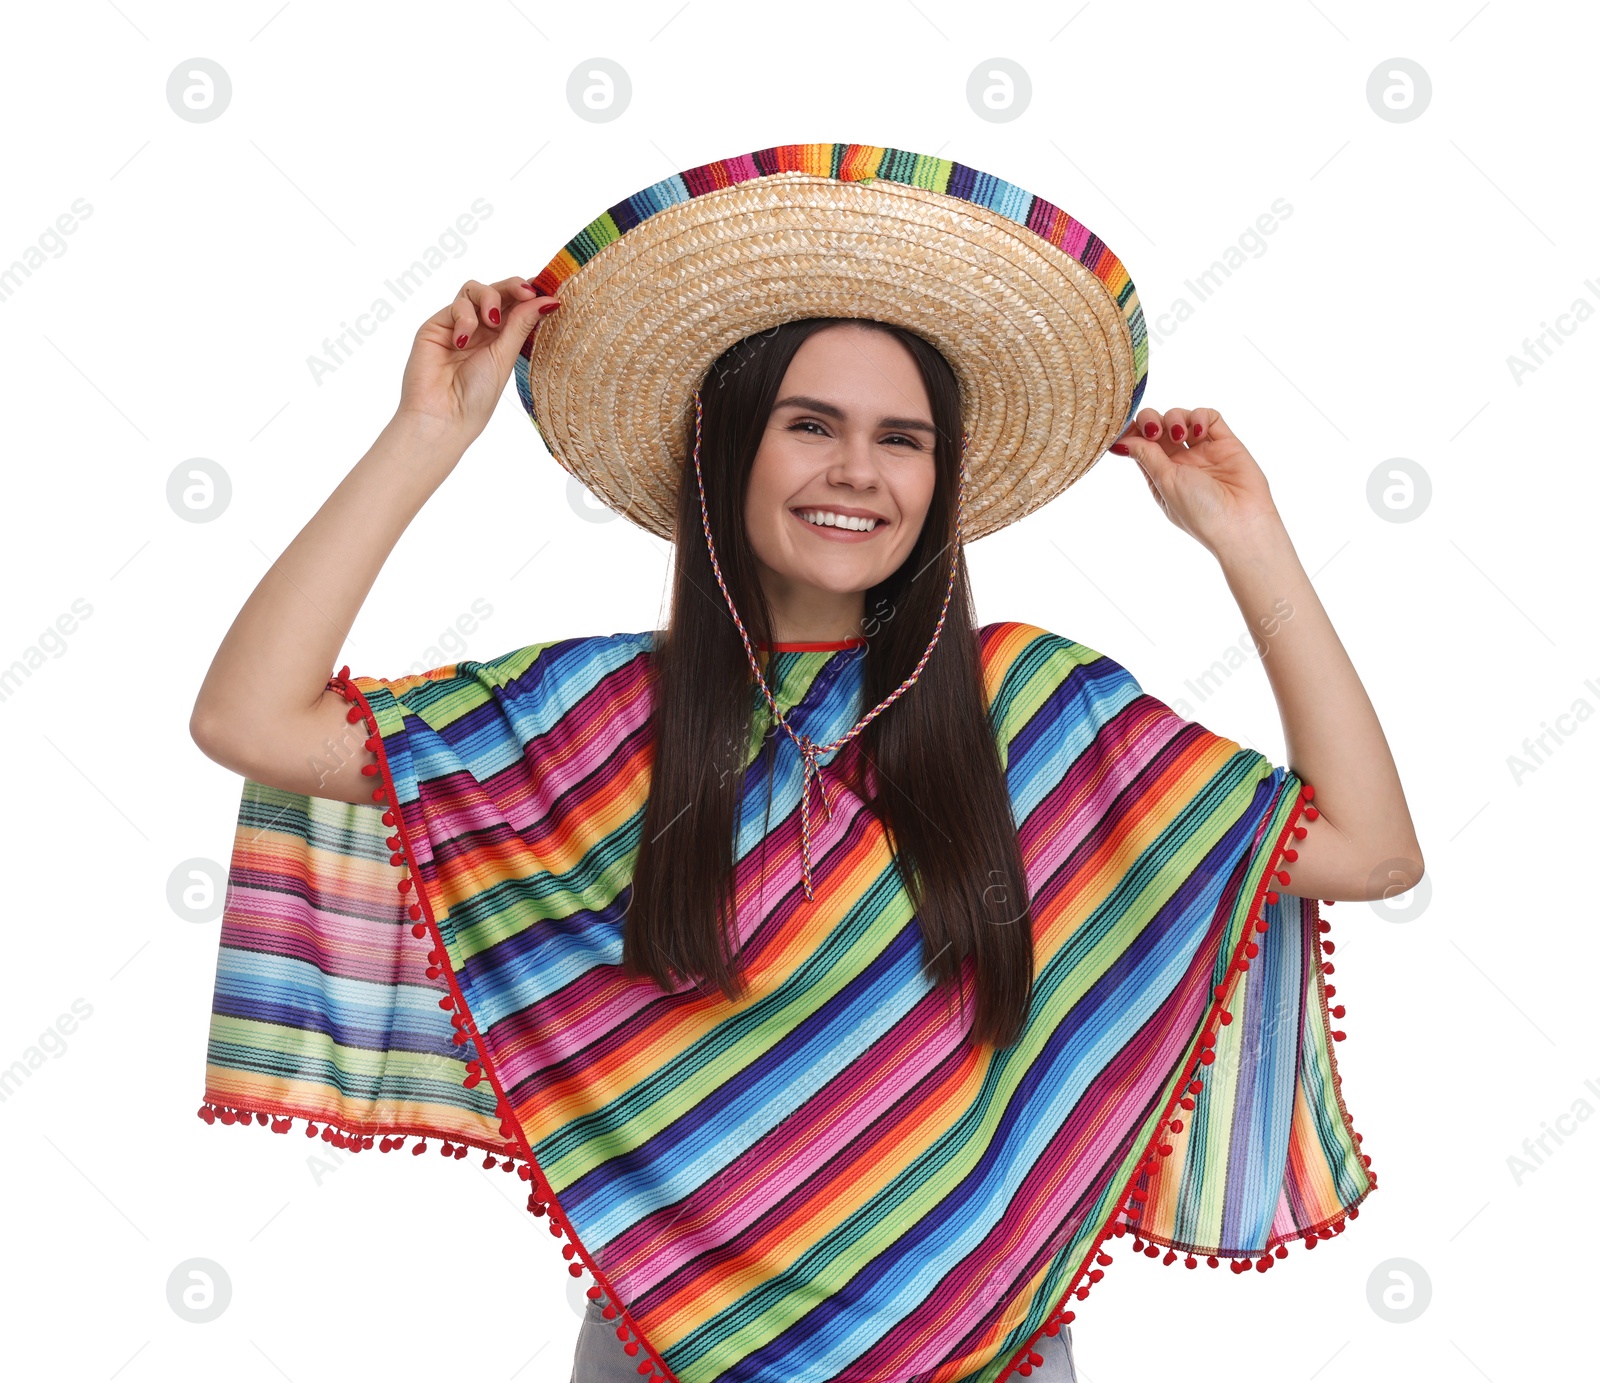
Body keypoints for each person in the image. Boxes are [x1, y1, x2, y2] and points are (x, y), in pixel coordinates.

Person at [189, 143, 1418, 1383]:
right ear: (727, 452)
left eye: (903, 439)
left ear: (936, 484)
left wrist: (1246, 542)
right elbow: (250, 719)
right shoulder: (598, 718)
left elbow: (1369, 850)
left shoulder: (1038, 712)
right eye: (810, 425)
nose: (857, 471)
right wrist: (424, 435)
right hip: (659, 1353)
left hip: (981, 1359)